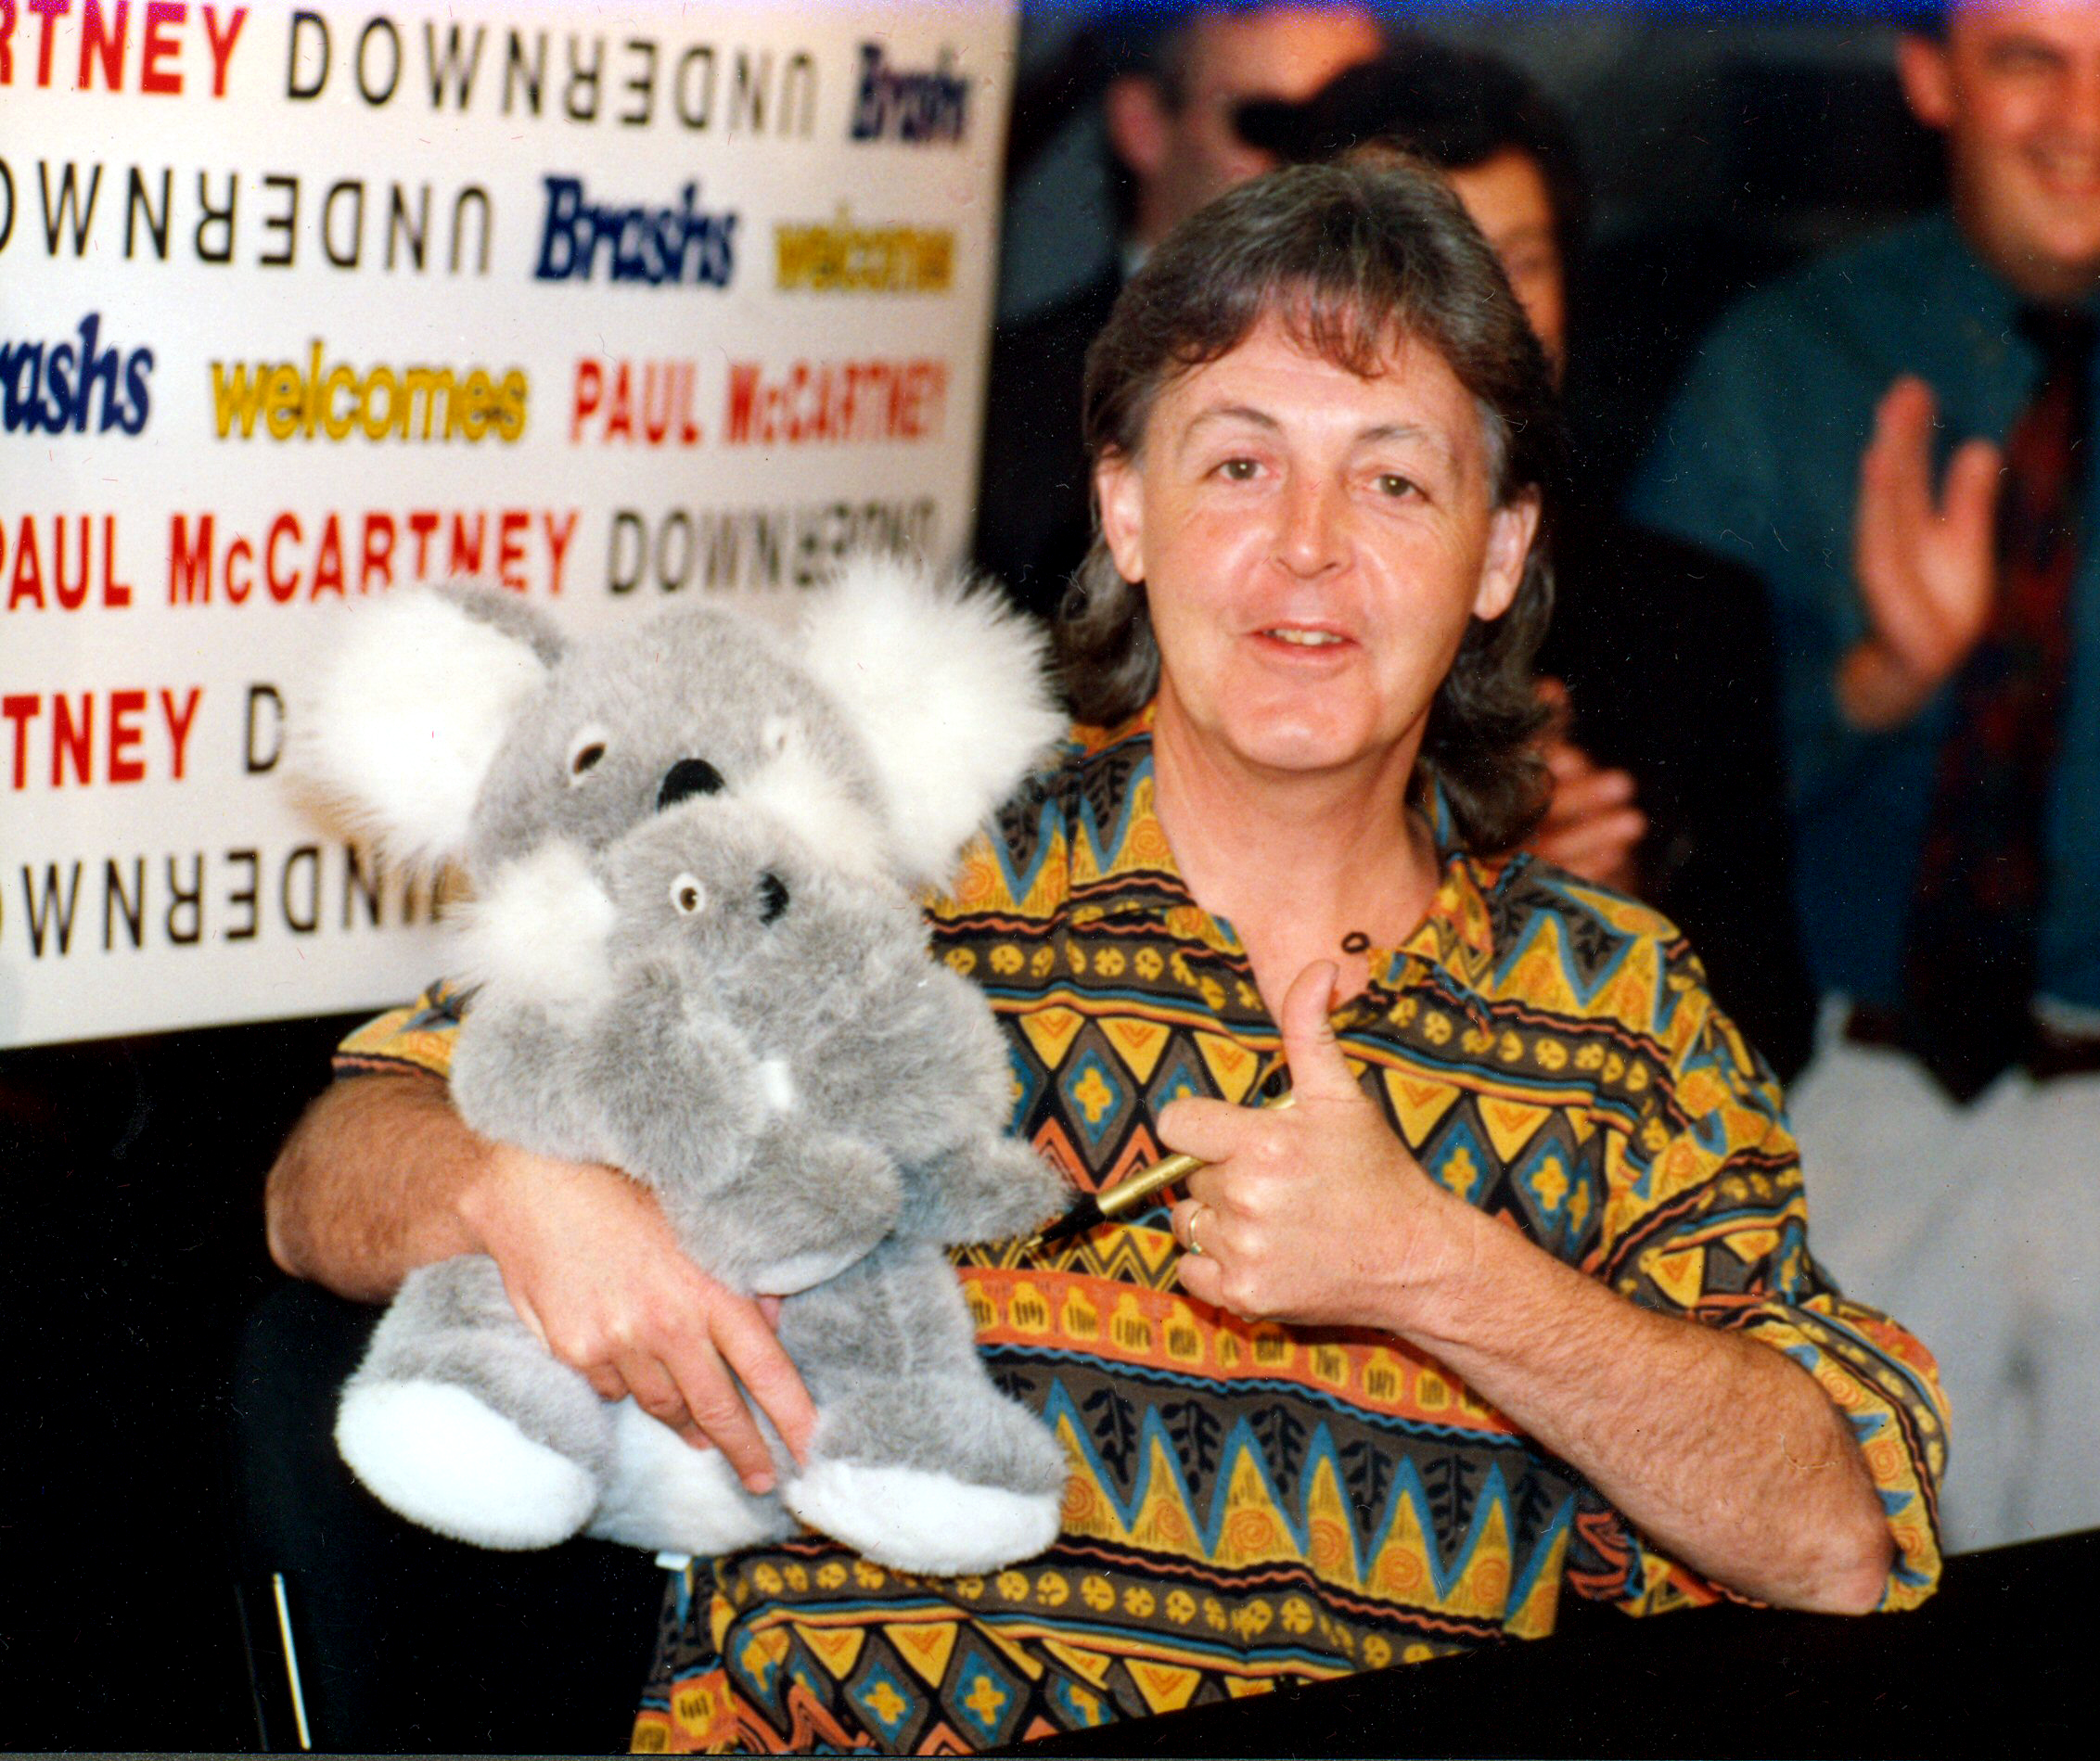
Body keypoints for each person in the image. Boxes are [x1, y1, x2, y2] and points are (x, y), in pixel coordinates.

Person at [270, 161, 1945, 1754]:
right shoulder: (877, 865)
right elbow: (331, 1164)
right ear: (1124, 508)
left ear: (1499, 554)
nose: (1307, 546)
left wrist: (1434, 1268)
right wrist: (521, 1192)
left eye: (1394, 477)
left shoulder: (1616, 1010)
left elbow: (1840, 1535)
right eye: (1237, 464)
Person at [1632, 0, 2100, 1553]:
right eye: (2029, 57)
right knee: (1831, 1620)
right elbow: (1635, 790)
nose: (2082, 120)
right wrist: (1871, 683)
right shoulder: (1786, 363)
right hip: (1848, 1120)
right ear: (1929, 77)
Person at [1244, 40, 1816, 1076]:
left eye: (1519, 262)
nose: (1482, 316)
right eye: (1420, 261)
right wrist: (1458, 889)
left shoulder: (1689, 614)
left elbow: (1771, 1034)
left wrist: (1608, 913)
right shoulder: (1222, 576)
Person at [972, 3, 1384, 620]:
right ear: (1142, 126)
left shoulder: (1432, 381)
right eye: (1267, 124)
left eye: (1350, 125)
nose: (1315, 164)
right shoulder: (1008, 404)